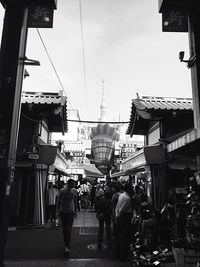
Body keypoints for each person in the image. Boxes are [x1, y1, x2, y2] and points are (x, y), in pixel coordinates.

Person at [57, 179, 78, 253]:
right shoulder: (62, 191)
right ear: (69, 184)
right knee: (64, 229)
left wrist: (75, 210)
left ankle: (67, 244)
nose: (74, 185)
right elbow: (58, 201)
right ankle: (66, 242)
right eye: (73, 184)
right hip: (63, 211)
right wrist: (57, 212)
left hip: (70, 212)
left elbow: (75, 201)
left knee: (68, 229)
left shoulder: (74, 191)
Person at [115, 183, 133, 261]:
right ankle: (123, 256)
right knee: (124, 237)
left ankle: (118, 253)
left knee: (121, 236)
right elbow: (122, 209)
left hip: (120, 217)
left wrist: (116, 216)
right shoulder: (127, 198)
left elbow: (117, 207)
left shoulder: (121, 195)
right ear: (128, 189)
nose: (132, 190)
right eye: (131, 189)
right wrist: (119, 216)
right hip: (124, 218)